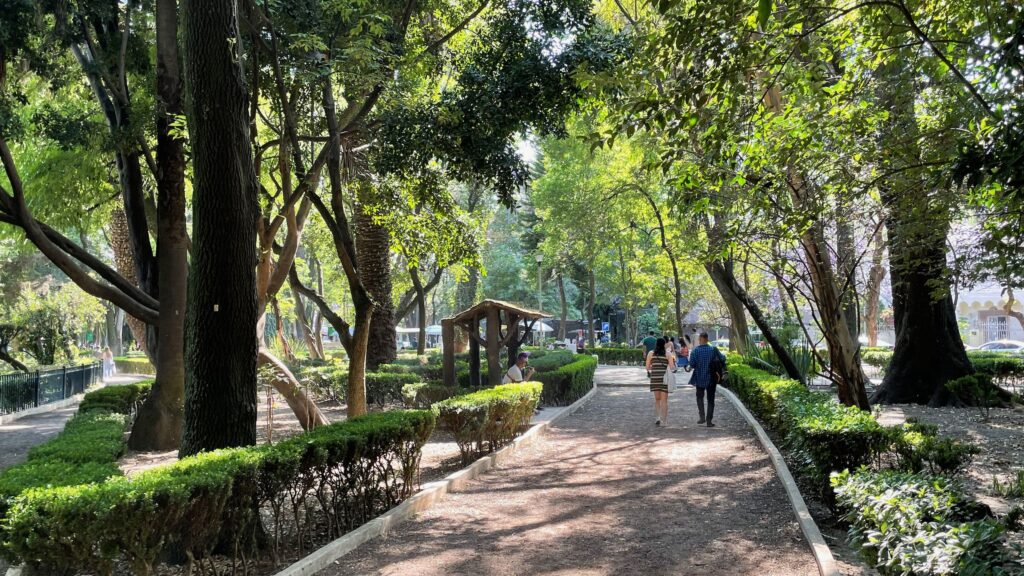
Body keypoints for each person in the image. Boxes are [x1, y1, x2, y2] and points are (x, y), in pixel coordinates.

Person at [689, 333, 725, 427]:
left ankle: (702, 417)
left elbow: (692, 364)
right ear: (707, 339)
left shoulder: (695, 351)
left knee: (699, 397)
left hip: (699, 377)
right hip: (711, 378)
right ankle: (709, 421)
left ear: (700, 339)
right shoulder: (713, 349)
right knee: (711, 400)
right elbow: (722, 358)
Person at [645, 337, 672, 426]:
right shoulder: (668, 354)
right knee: (664, 400)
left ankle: (657, 418)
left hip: (655, 379)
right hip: (665, 379)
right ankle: (664, 421)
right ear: (664, 344)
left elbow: (647, 367)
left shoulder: (651, 353)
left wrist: (654, 367)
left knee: (657, 400)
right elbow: (672, 367)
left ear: (656, 344)